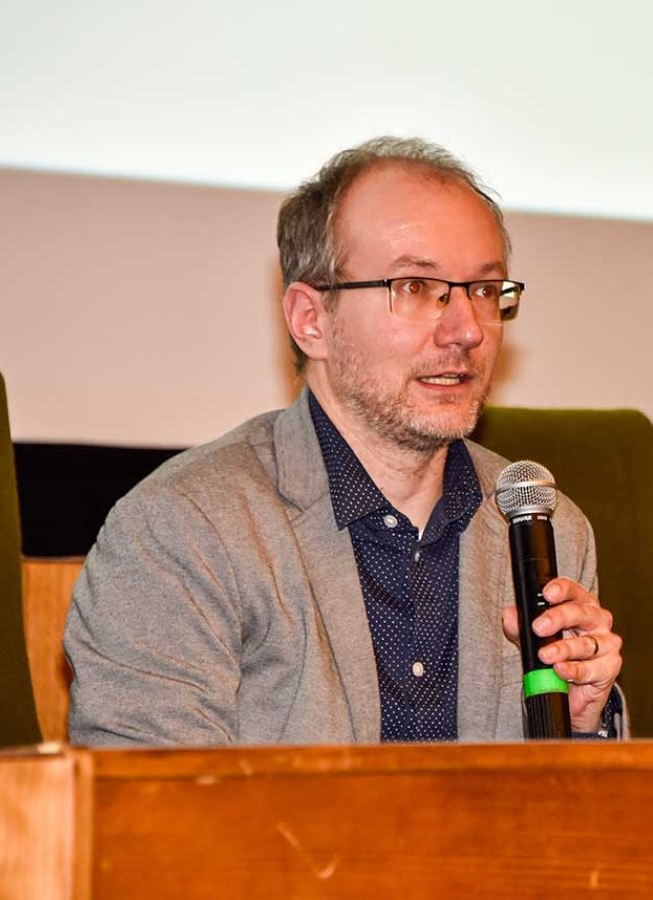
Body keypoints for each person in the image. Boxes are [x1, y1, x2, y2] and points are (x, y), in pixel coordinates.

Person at [64, 137, 624, 745]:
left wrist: (581, 727)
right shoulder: (183, 531)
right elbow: (150, 795)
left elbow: (575, 803)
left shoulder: (547, 531)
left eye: (485, 290)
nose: (467, 330)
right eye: (416, 287)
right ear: (311, 320)